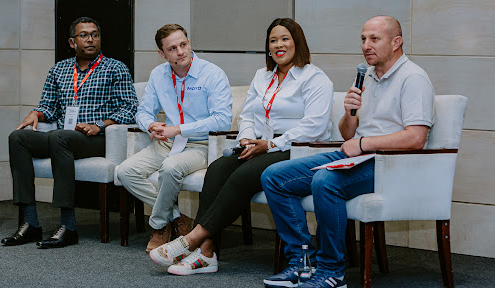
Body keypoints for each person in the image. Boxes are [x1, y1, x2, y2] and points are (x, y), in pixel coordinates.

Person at [149, 18, 334, 276]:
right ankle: (207, 254)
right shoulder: (263, 76)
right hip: (260, 145)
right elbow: (247, 116)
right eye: (273, 40)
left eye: (285, 39)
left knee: (245, 174)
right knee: (217, 169)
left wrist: (270, 143)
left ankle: (194, 241)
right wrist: (246, 138)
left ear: (297, 42)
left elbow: (314, 126)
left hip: (298, 148)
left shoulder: (314, 78)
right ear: (267, 47)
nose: (279, 45)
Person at [261, 15, 435, 288]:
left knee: (325, 180)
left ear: (397, 42)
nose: (366, 45)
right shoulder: (369, 77)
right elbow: (346, 134)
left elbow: (416, 138)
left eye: (374, 39)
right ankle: (301, 261)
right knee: (274, 176)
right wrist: (349, 113)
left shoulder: (413, 78)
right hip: (356, 155)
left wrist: (365, 144)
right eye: (363, 39)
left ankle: (332, 271)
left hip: (391, 164)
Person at [1, 17, 138, 249]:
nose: (91, 39)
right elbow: (49, 106)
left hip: (97, 139)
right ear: (72, 42)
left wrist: (99, 125)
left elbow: (130, 108)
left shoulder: (115, 68)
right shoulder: (59, 70)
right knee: (19, 137)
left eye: (95, 34)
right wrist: (37, 114)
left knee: (59, 137)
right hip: (63, 137)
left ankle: (68, 225)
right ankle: (30, 222)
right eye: (83, 35)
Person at [116, 24, 233, 253]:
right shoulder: (159, 75)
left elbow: (222, 121)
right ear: (162, 54)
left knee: (170, 167)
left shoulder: (212, 74)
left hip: (202, 144)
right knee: (124, 171)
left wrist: (178, 129)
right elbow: (143, 111)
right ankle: (178, 218)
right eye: (172, 48)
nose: (180, 51)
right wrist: (149, 124)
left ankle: (159, 226)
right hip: (167, 141)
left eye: (183, 44)